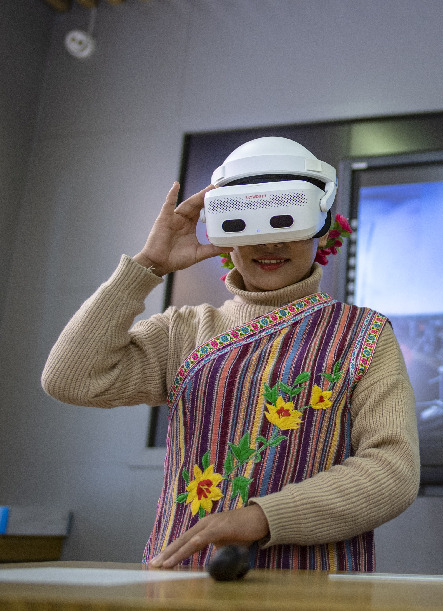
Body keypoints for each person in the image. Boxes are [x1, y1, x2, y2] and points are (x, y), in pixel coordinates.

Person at [41, 137, 420, 571]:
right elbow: (70, 379)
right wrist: (148, 265)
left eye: (286, 220)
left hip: (313, 585)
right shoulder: (184, 331)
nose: (269, 243)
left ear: (320, 223)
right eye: (248, 222)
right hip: (184, 580)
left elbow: (393, 469)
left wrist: (263, 517)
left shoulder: (363, 335)